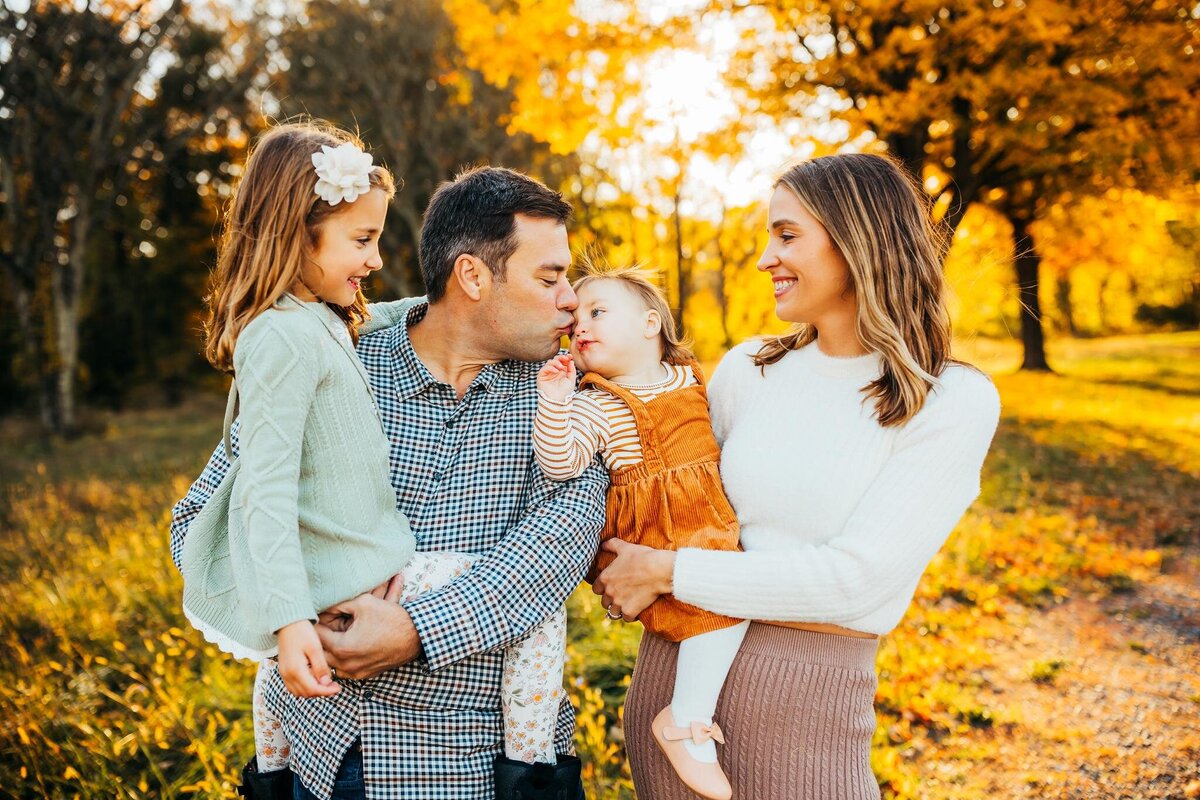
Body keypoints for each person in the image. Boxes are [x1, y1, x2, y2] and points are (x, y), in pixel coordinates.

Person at [171, 160, 608, 800]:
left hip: (478, 770)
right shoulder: (330, 348)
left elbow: (556, 546)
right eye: (550, 278)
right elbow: (205, 522)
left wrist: (416, 631)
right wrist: (298, 607)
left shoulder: (568, 392)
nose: (572, 298)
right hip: (324, 760)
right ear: (473, 276)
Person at [592, 153, 1002, 799]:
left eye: (787, 235)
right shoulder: (747, 369)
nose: (764, 258)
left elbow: (855, 582)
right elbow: (679, 507)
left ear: (858, 239)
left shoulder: (950, 400)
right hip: (672, 694)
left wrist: (667, 571)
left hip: (807, 715)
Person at [533, 264, 749, 800]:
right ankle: (685, 720)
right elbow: (559, 462)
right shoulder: (597, 402)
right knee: (723, 609)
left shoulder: (691, 378)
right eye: (574, 321)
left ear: (651, 322)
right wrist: (555, 400)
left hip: (706, 517)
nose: (580, 326)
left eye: (598, 313)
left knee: (729, 603)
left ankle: (689, 716)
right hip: (658, 530)